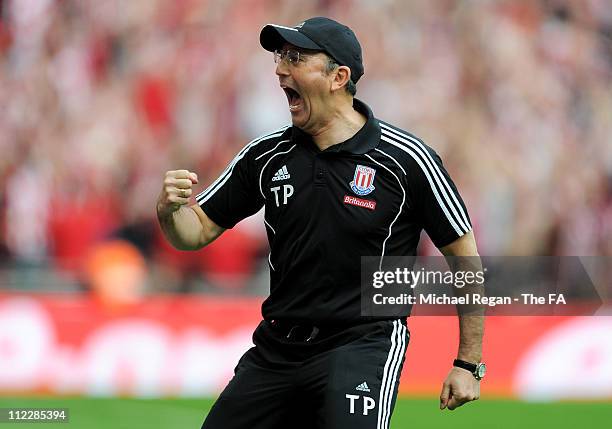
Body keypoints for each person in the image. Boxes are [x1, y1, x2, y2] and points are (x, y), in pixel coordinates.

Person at [157, 16, 485, 429]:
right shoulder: (266, 156)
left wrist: (468, 363)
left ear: (338, 77)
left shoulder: (407, 161)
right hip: (277, 347)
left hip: (361, 343)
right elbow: (197, 229)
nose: (279, 69)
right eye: (279, 56)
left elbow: (464, 259)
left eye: (295, 57)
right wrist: (170, 212)